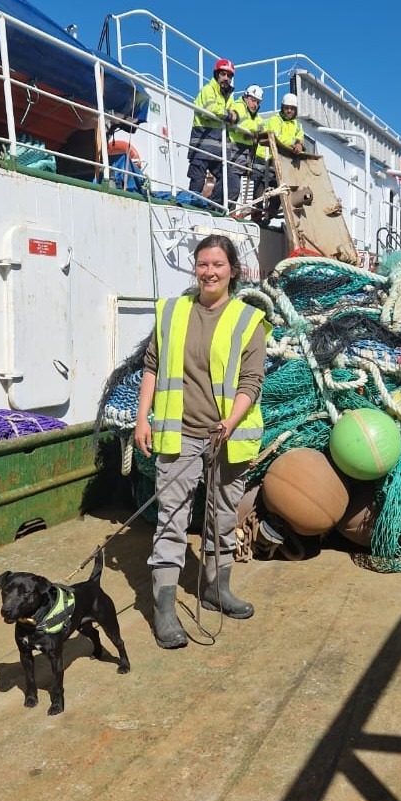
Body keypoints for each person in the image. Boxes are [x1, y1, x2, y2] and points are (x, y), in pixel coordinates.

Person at [134, 235, 270, 649]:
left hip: (227, 437)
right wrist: (143, 418)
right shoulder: (172, 312)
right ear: (195, 268)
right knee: (171, 520)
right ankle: (164, 609)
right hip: (178, 433)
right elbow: (152, 367)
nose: (209, 272)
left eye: (218, 264)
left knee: (222, 516)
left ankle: (216, 588)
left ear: (233, 270)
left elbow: (252, 381)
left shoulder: (248, 320)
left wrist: (230, 421)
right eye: (202, 264)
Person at [187, 58, 238, 207]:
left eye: (229, 76)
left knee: (232, 182)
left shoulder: (228, 96)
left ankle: (214, 207)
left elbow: (235, 113)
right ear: (217, 74)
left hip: (218, 149)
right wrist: (229, 115)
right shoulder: (208, 90)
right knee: (197, 182)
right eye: (223, 74)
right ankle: (192, 208)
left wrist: (234, 115)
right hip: (201, 144)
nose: (226, 78)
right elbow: (210, 110)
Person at [255, 92, 305, 220]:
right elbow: (276, 137)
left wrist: (300, 144)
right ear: (282, 107)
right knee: (260, 186)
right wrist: (294, 142)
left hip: (281, 160)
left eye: (292, 108)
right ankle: (256, 216)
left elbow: (300, 138)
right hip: (265, 157)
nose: (289, 110)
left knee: (281, 187)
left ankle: (269, 215)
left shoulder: (298, 125)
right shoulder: (275, 120)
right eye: (287, 107)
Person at [227, 84, 264, 209]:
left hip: (244, 155)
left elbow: (261, 127)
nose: (255, 105)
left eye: (258, 102)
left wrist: (253, 133)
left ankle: (228, 212)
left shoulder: (256, 116)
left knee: (235, 187)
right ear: (246, 97)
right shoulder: (238, 106)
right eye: (253, 100)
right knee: (233, 187)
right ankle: (225, 212)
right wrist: (253, 132)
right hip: (233, 151)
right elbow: (242, 123)